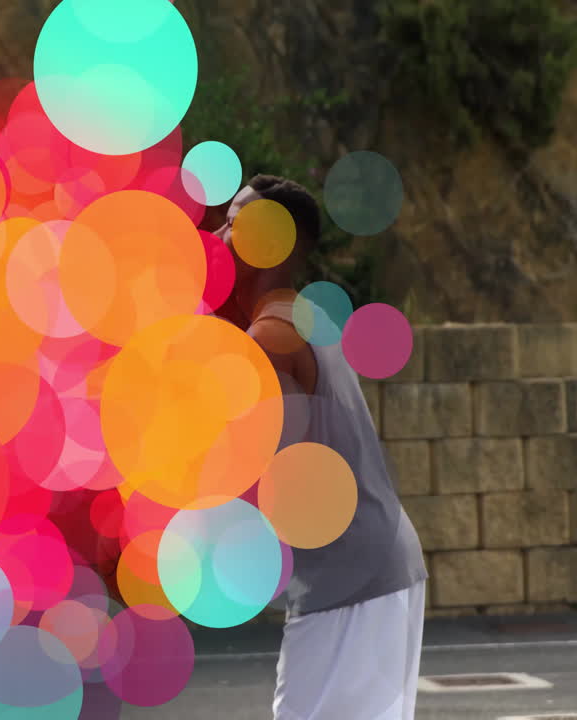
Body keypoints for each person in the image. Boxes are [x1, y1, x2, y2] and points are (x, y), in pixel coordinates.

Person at [212, 175, 429, 720]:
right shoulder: (306, 319)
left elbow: (256, 471)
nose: (218, 235)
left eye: (233, 225)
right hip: (376, 565)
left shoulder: (272, 340)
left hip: (350, 580)